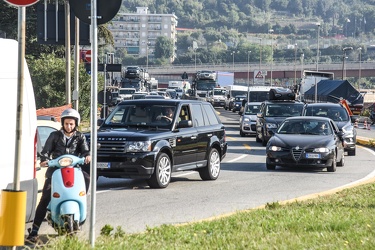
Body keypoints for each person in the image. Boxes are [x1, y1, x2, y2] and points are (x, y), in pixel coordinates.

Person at [26, 108, 91, 243]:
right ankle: (34, 231)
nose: (69, 126)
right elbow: (45, 151)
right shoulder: (54, 136)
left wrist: (87, 156)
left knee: (86, 177)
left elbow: (85, 150)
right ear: (62, 123)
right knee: (45, 197)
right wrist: (44, 160)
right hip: (55, 170)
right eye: (66, 123)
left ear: (76, 124)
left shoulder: (80, 137)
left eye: (71, 124)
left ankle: (81, 203)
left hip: (74, 169)